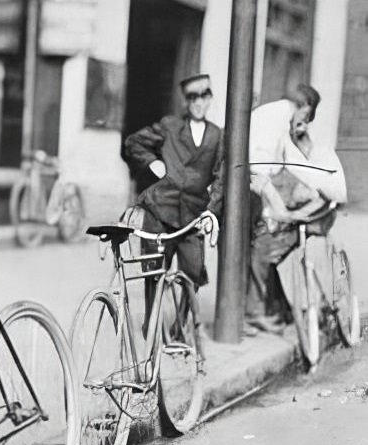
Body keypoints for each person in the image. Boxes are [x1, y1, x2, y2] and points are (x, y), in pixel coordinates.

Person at [245, 84, 347, 335]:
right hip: (252, 188)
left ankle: (277, 309)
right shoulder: (277, 118)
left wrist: (316, 188)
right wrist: (280, 205)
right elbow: (262, 168)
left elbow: (295, 164)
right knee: (263, 245)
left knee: (274, 243)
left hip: (266, 189)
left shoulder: (281, 118)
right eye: (304, 117)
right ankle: (256, 312)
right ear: (302, 107)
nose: (303, 123)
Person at [123, 73, 223, 328]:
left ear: (210, 98)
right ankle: (151, 327)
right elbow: (134, 142)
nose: (199, 102)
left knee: (193, 274)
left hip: (193, 217)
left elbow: (222, 177)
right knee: (154, 272)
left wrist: (211, 211)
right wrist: (153, 161)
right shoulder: (170, 126)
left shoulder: (218, 136)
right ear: (186, 102)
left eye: (203, 96)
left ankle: (179, 329)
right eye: (192, 98)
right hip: (160, 212)